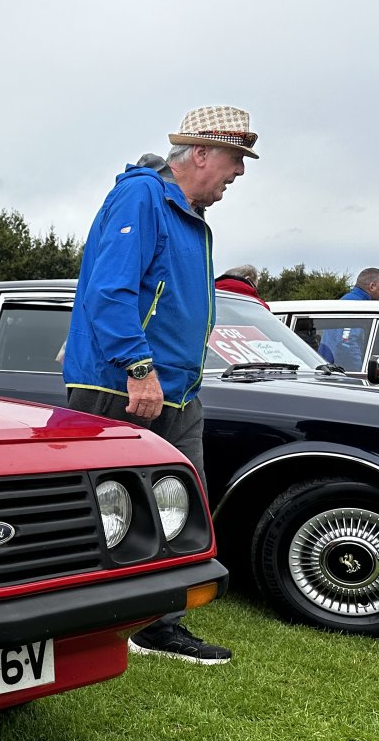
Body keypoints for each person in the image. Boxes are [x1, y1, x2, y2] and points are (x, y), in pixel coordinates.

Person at [63, 104, 260, 665]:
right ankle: (82, 612)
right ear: (200, 153)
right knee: (108, 506)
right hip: (121, 386)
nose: (234, 179)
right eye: (232, 165)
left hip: (178, 391)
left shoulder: (190, 217)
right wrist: (138, 368)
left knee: (179, 506)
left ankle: (157, 623)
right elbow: (112, 290)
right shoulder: (142, 196)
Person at [318, 266, 379, 368]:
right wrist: (360, 375)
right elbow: (347, 345)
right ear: (372, 286)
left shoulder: (355, 303)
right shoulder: (355, 307)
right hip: (345, 378)